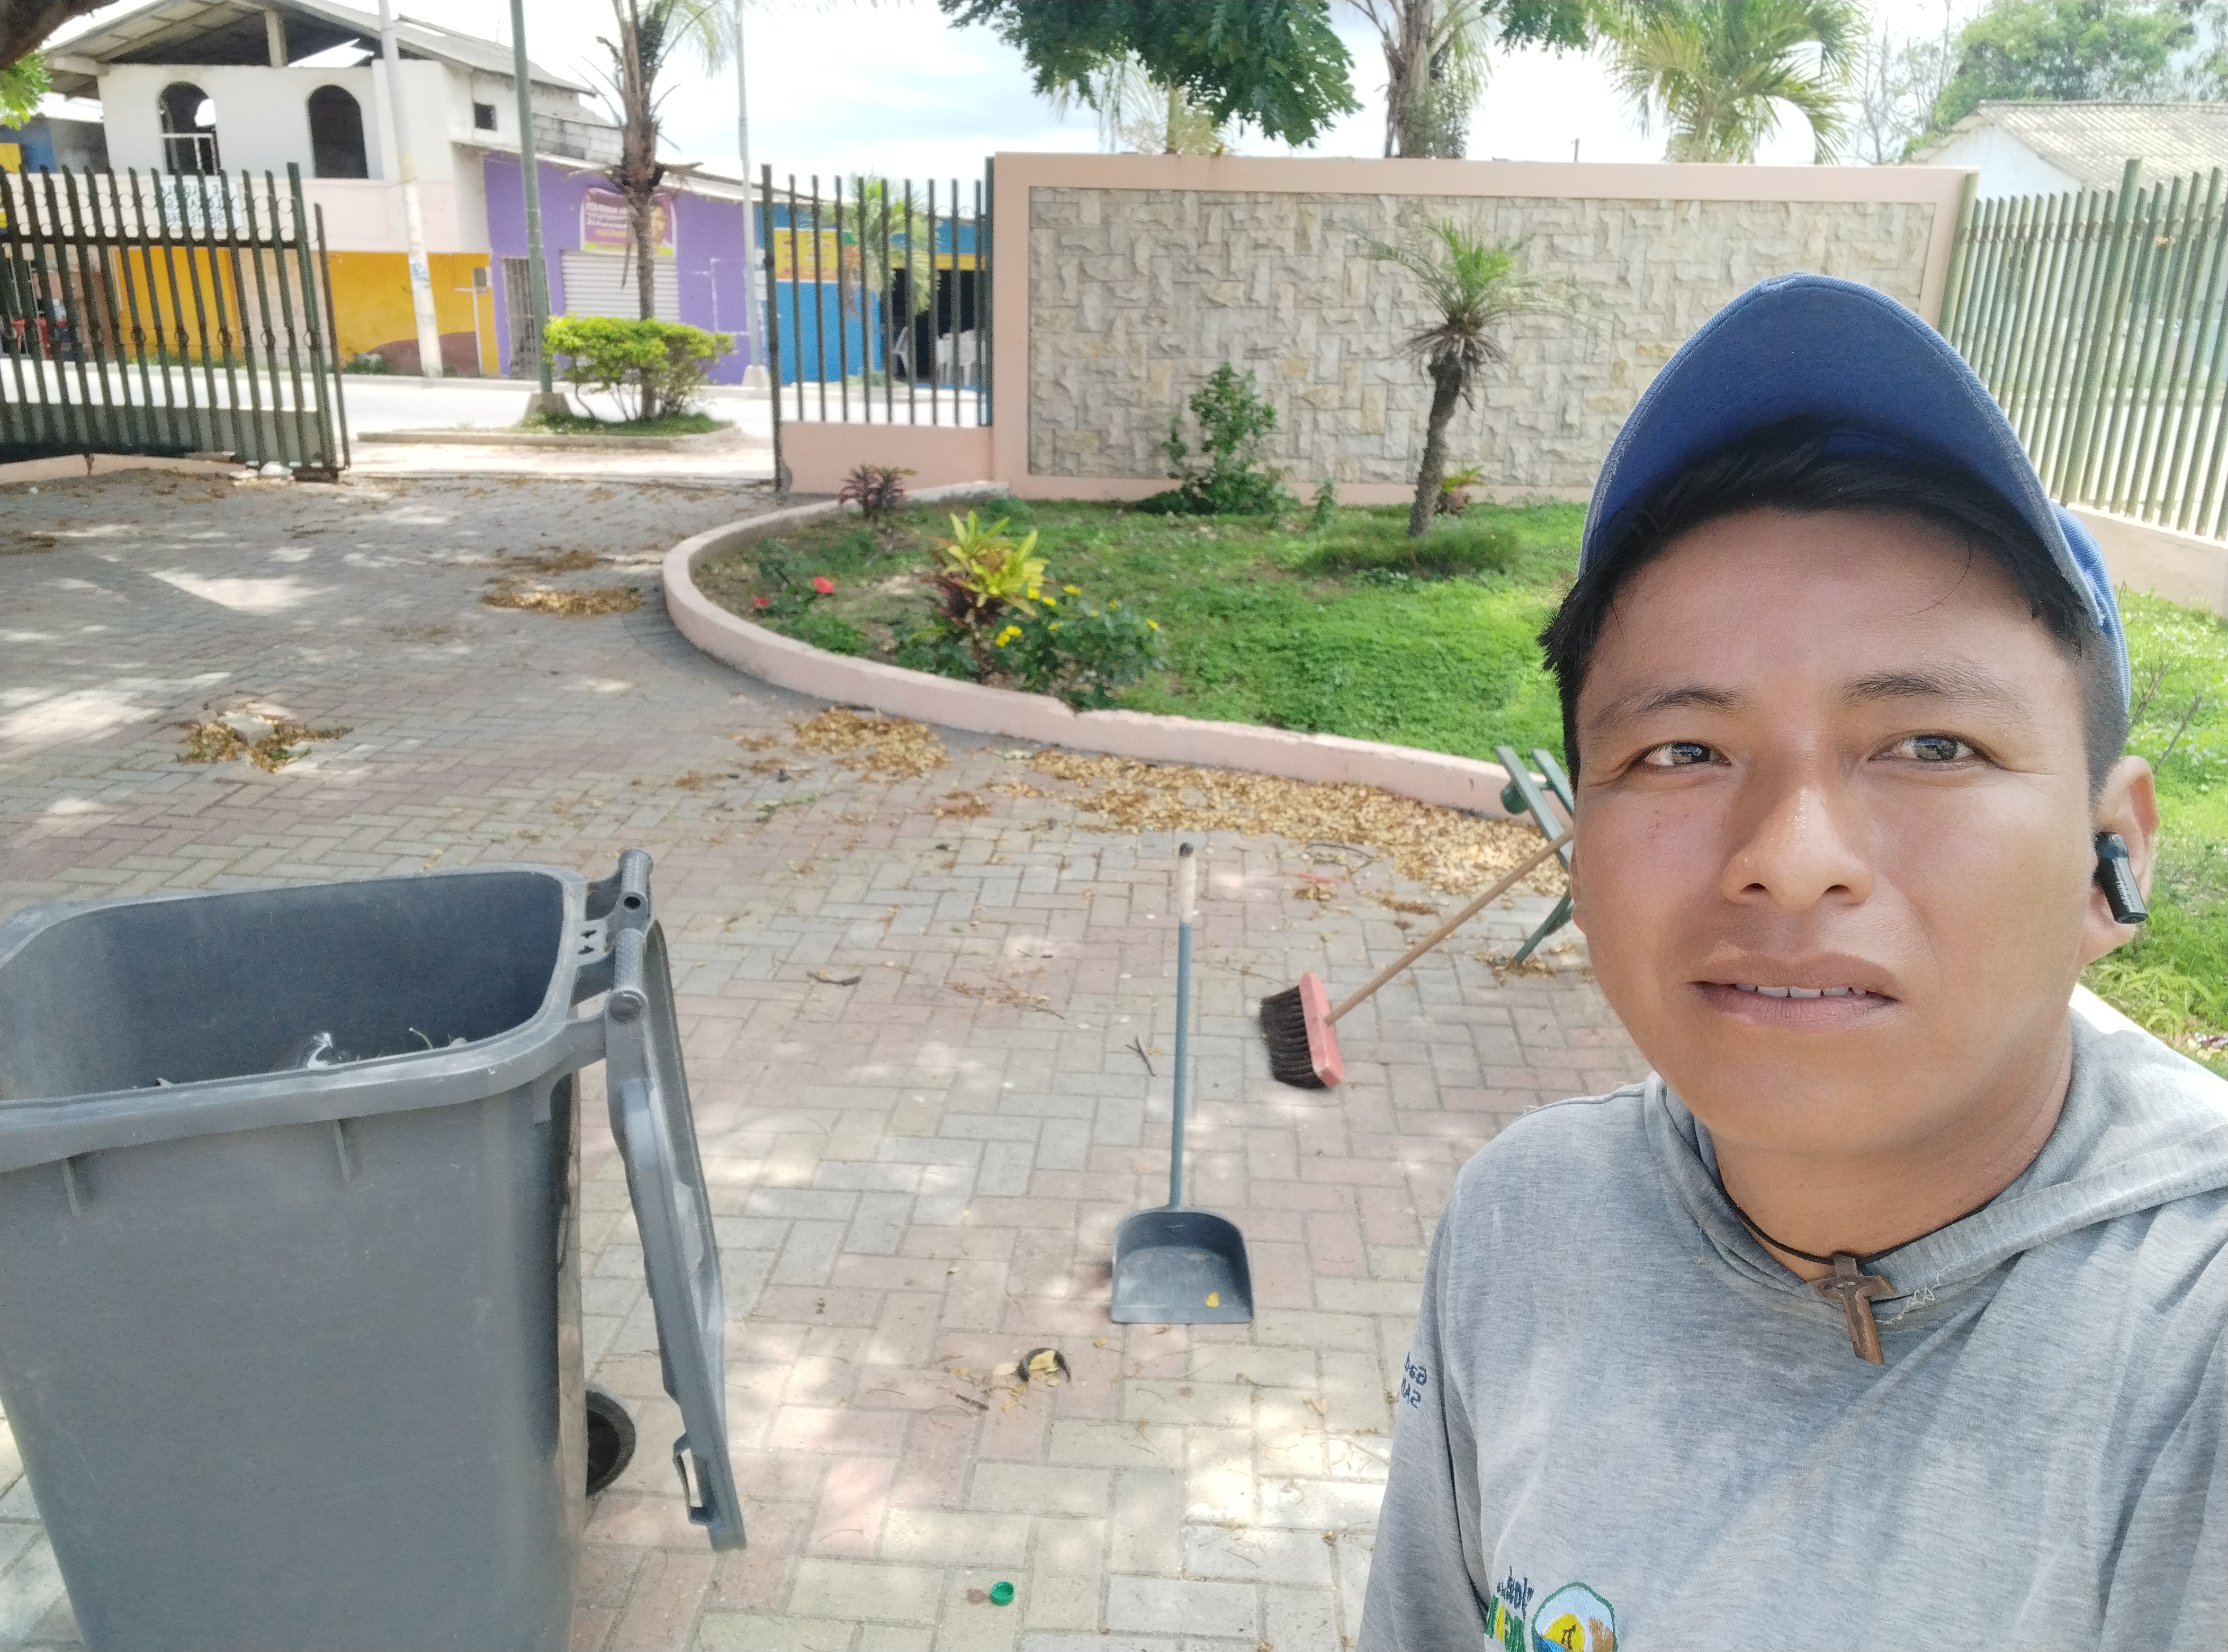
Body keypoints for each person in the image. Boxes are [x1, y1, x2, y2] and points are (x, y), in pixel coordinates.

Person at [1358, 274, 2225, 1652]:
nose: (1791, 856)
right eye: (1681, 751)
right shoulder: (1523, 1226)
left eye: (1932, 746)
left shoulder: (2190, 1345)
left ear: (2111, 855)